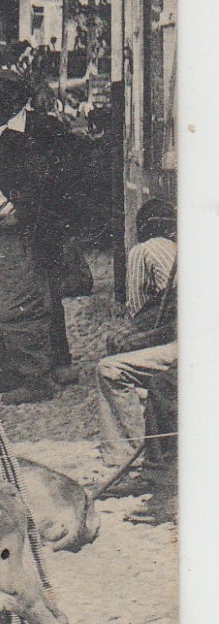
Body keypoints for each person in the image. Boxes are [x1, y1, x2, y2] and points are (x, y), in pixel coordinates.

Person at [0, 72, 71, 402]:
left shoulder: (14, 142)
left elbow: (42, 185)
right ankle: (9, 369)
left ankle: (36, 379)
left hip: (11, 238)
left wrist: (20, 215)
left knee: (18, 306)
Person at [96, 199, 177, 471]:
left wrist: (135, 337)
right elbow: (168, 306)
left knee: (111, 367)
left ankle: (128, 455)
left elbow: (146, 310)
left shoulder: (143, 251)